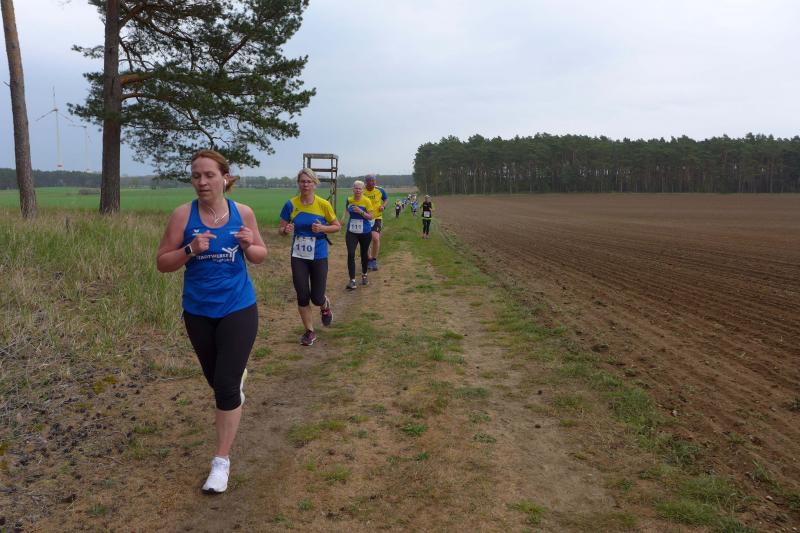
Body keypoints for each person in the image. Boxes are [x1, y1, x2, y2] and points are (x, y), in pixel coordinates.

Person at [156, 149, 267, 494]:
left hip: (238, 307)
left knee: (226, 387)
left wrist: (249, 245)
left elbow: (261, 255)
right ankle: (235, 379)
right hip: (198, 312)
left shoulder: (243, 213)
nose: (202, 182)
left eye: (209, 175)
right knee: (217, 382)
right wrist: (190, 249)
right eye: (196, 176)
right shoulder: (182, 215)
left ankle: (221, 462)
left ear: (225, 178)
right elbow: (162, 263)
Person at [279, 168, 341, 346]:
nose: (305, 185)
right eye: (302, 181)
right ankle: (310, 331)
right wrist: (285, 230)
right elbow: (281, 230)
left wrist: (323, 228)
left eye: (309, 181)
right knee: (302, 295)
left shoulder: (323, 204)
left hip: (319, 254)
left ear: (314, 184)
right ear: (298, 183)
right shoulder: (290, 204)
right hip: (298, 255)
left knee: (316, 297)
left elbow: (337, 226)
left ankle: (324, 305)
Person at [344, 180, 375, 289]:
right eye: (356, 188)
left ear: (363, 190)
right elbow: (346, 211)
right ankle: (352, 280)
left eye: (360, 188)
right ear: (353, 189)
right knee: (351, 253)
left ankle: (364, 275)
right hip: (351, 232)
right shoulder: (349, 200)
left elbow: (370, 217)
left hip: (365, 232)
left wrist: (360, 211)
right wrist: (342, 219)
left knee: (364, 254)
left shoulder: (366, 201)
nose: (358, 190)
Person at [362, 174, 388, 271]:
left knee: (375, 238)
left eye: (374, 181)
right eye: (371, 181)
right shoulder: (362, 191)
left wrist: (383, 206)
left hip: (377, 217)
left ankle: (374, 259)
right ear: (366, 182)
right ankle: (368, 258)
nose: (373, 183)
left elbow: (386, 199)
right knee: (366, 240)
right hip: (364, 218)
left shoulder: (380, 190)